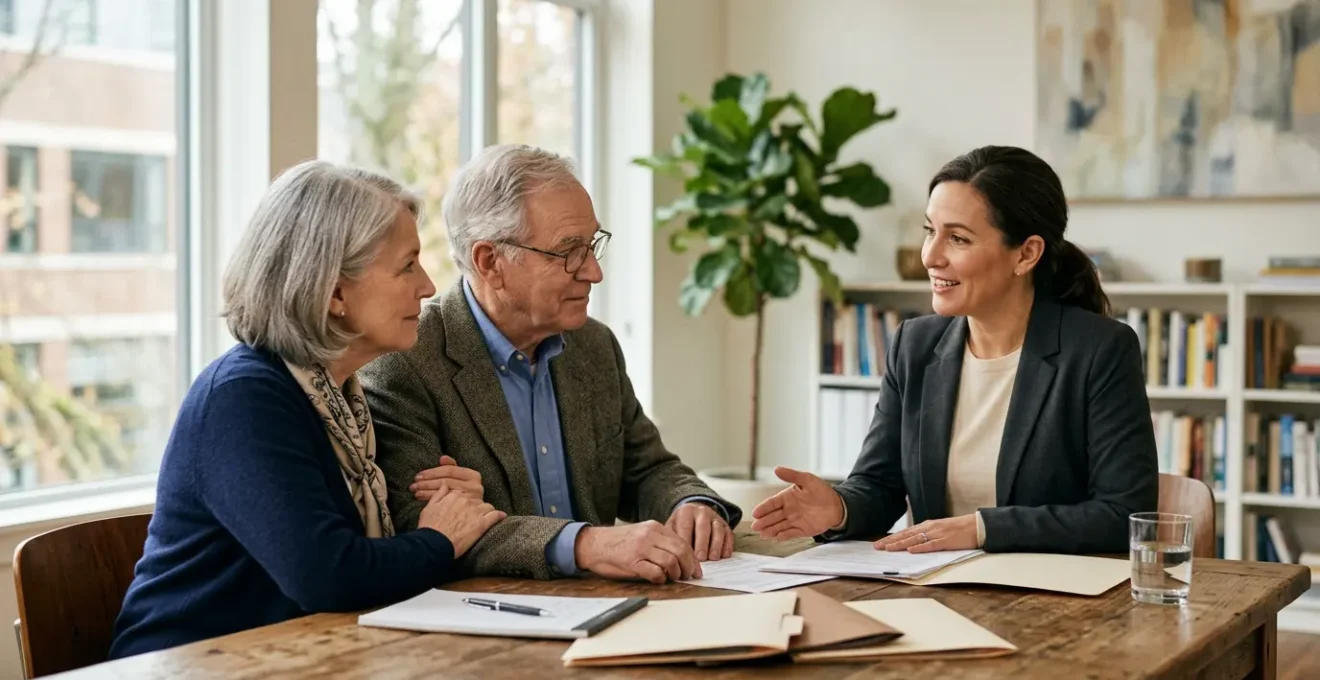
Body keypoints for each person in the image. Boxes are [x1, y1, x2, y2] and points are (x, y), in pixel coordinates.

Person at [109, 161, 507, 659]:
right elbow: (329, 577)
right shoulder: (243, 399)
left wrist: (448, 508)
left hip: (300, 658)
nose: (428, 287)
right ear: (335, 291)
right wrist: (440, 538)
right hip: (189, 667)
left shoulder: (339, 399)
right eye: (407, 266)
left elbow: (359, 565)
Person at [360, 144, 741, 585]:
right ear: (490, 262)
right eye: (569, 252)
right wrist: (587, 544)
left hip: (607, 610)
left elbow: (649, 469)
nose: (594, 271)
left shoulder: (594, 345)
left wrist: (690, 504)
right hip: (485, 628)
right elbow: (427, 528)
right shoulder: (406, 360)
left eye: (593, 244)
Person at [750, 145, 1158, 555]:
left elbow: (1122, 513)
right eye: (930, 231)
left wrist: (982, 529)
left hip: (1052, 600)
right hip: (936, 590)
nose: (930, 256)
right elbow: (880, 486)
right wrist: (838, 508)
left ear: (1026, 253)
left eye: (958, 238)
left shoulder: (1100, 351)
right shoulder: (914, 345)